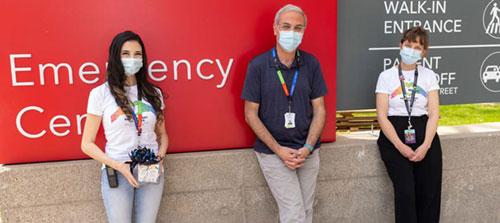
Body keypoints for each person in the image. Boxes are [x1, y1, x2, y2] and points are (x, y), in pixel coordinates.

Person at [241, 4, 327, 223]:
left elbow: (319, 109)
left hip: (307, 151)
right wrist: (279, 150)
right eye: (286, 26)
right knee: (294, 213)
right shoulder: (258, 66)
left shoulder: (312, 64)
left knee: (306, 211)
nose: (292, 32)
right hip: (273, 152)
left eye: (298, 28)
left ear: (304, 32)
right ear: (275, 29)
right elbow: (250, 113)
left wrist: (308, 147)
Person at [81, 31, 168, 223]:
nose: (132, 59)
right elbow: (87, 144)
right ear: (115, 57)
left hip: (150, 170)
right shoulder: (100, 94)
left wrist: (160, 157)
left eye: (137, 54)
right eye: (126, 54)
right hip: (118, 171)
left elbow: (162, 134)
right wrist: (118, 165)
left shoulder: (153, 93)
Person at [375, 26, 442, 223]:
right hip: (394, 137)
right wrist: (400, 146)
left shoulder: (429, 76)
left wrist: (426, 145)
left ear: (424, 52)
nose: (412, 50)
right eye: (408, 45)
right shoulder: (386, 76)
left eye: (418, 47)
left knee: (429, 194)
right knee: (405, 194)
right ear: (400, 45)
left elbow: (434, 113)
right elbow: (382, 115)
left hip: (425, 136)